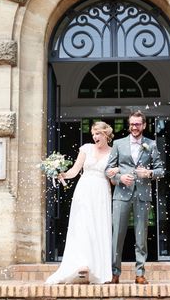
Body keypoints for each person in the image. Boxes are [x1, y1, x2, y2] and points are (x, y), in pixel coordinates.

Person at [45, 121, 116, 285]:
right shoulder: (86, 149)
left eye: (97, 134)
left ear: (106, 135)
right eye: (93, 134)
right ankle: (82, 263)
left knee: (98, 226)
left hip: (101, 192)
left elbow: (112, 181)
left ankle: (97, 268)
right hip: (84, 190)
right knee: (83, 225)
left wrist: (115, 172)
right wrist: (61, 174)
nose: (94, 137)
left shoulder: (113, 153)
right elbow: (75, 171)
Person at [105, 111, 165, 285]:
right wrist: (119, 178)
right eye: (132, 124)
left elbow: (160, 170)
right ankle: (114, 273)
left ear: (144, 125)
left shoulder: (151, 145)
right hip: (121, 195)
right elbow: (108, 170)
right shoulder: (118, 144)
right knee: (117, 235)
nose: (134, 127)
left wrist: (149, 173)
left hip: (142, 195)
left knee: (141, 236)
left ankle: (140, 273)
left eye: (138, 124)